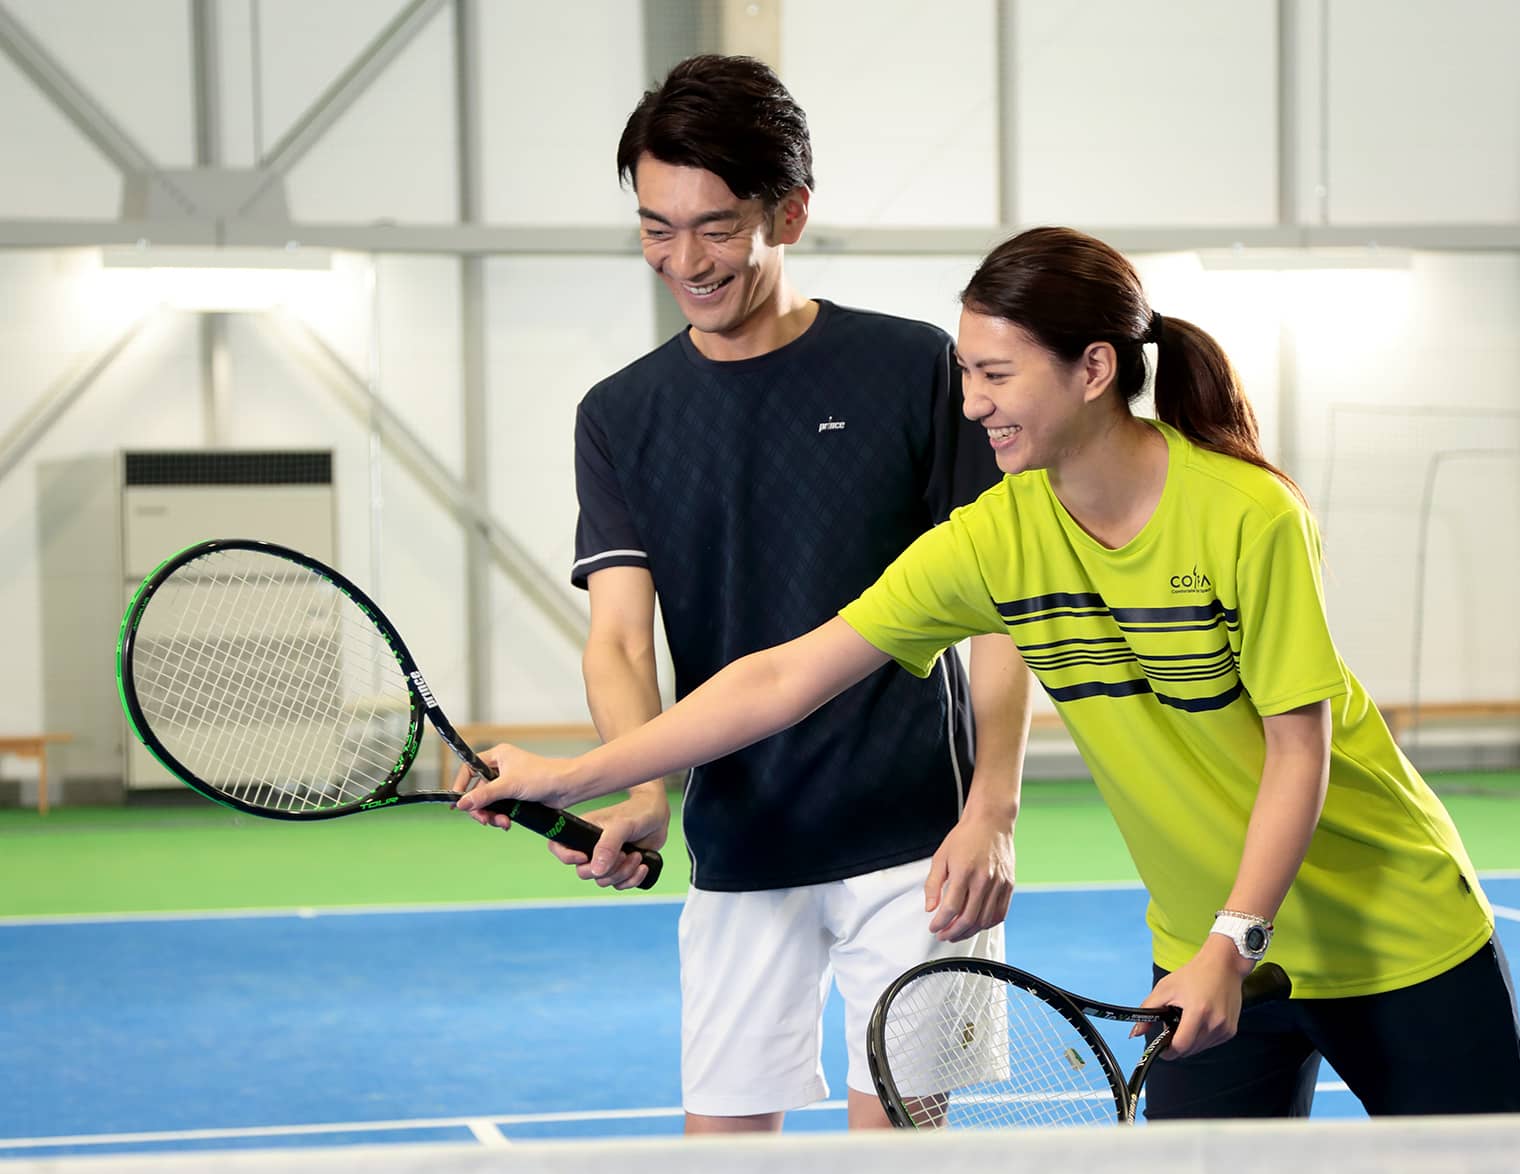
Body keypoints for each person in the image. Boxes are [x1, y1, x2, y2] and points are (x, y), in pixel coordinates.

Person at [460, 225, 1520, 1118]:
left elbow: (1298, 751)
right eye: (966, 372)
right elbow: (778, 680)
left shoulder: (1247, 514)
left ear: (1093, 369)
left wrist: (1233, 941)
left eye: (996, 374)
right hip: (1200, 952)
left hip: (1388, 936)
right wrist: (574, 773)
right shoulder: (996, 535)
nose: (971, 403)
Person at [460, 55, 1033, 1133]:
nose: (684, 260)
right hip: (738, 841)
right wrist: (641, 793)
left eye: (715, 227)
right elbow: (620, 639)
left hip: (915, 839)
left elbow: (1003, 609)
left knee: (901, 1149)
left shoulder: (912, 366)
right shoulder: (618, 414)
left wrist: (991, 807)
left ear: (789, 213)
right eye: (655, 228)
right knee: (720, 1148)